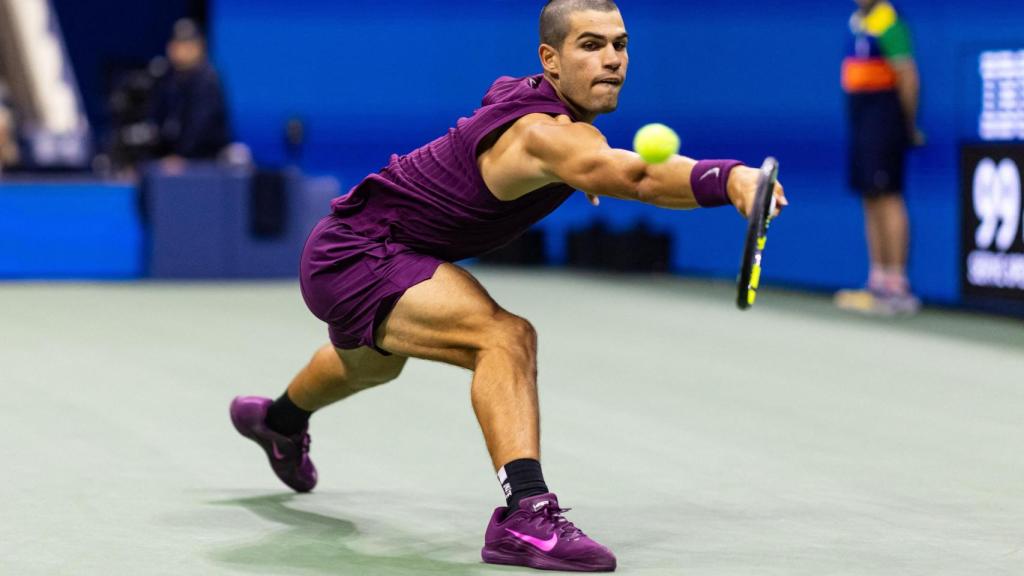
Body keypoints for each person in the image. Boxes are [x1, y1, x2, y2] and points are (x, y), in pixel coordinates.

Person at [230, 1, 787, 572]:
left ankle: (277, 421)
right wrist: (732, 179)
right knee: (504, 337)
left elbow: (567, 139)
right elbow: (639, 176)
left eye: (620, 45)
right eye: (591, 45)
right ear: (551, 59)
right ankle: (526, 515)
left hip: (372, 245)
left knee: (371, 367)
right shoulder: (541, 134)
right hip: (358, 253)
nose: (613, 59)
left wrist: (585, 164)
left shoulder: (541, 109)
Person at [835, 0, 923, 315]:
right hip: (861, 123)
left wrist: (907, 125)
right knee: (869, 196)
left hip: (886, 123)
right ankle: (878, 281)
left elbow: (908, 76)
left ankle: (898, 287)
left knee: (888, 197)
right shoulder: (857, 21)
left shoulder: (890, 21)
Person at [149, 18, 230, 168]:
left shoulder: (207, 80)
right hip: (171, 158)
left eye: (187, 44)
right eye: (177, 43)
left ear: (199, 46)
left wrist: (182, 156)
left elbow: (200, 126)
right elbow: (158, 118)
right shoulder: (167, 78)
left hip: (205, 161)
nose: (181, 49)